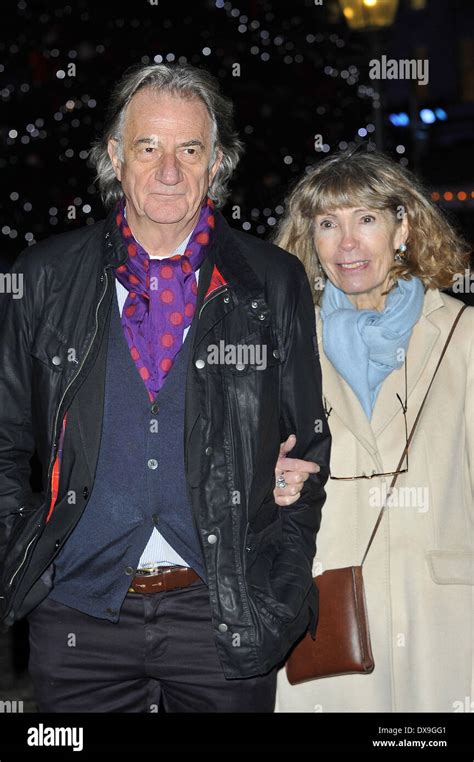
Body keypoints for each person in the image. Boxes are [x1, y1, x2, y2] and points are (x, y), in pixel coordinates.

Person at [0, 63, 331, 713]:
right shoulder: (43, 277)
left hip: (225, 609)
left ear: (217, 165)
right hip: (77, 613)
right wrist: (23, 559)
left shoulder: (272, 281)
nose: (170, 170)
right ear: (116, 158)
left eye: (190, 149)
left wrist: (282, 582)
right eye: (149, 147)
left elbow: (310, 442)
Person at [271, 149, 474, 712]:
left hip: (442, 615)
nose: (348, 244)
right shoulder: (284, 344)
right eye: (328, 225)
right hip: (324, 609)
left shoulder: (463, 335)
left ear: (402, 227)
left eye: (366, 219)